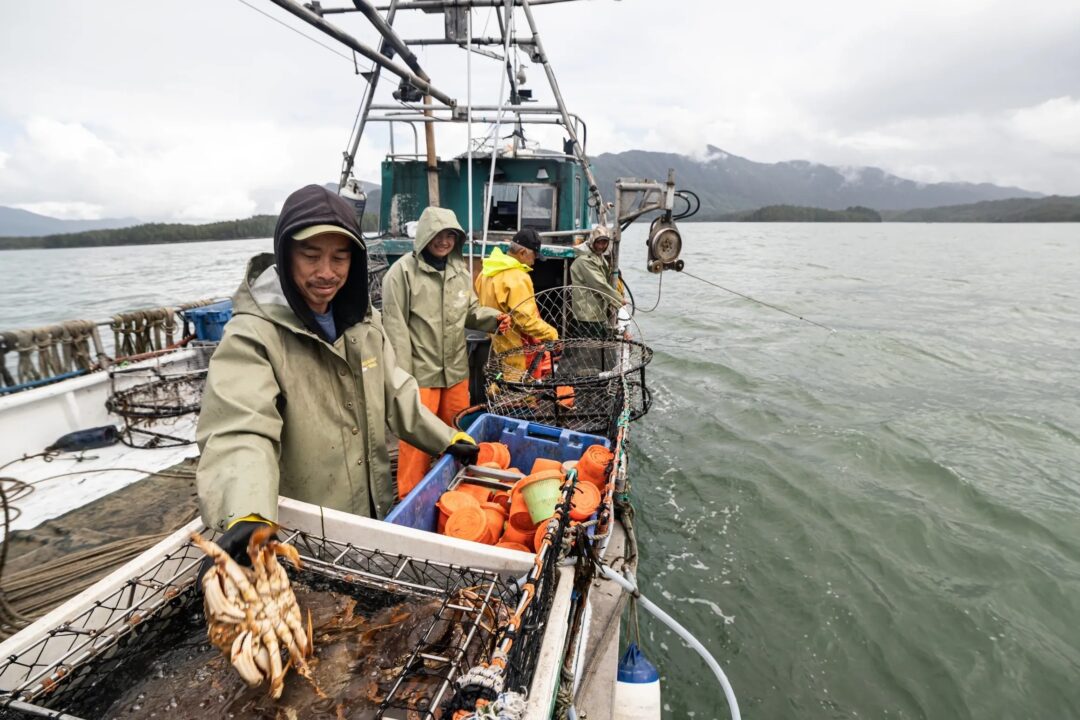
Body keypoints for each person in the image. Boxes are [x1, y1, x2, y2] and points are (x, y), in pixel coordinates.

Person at [196, 184, 480, 559]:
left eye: (340, 258)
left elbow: (395, 392)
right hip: (306, 535)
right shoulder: (252, 335)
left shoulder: (363, 321)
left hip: (373, 514)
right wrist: (247, 513)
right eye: (311, 256)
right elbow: (239, 428)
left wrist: (446, 437)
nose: (326, 273)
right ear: (285, 254)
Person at [381, 206, 511, 498]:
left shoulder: (460, 273)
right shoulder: (401, 273)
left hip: (455, 372)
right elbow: (395, 330)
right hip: (419, 375)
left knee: (457, 435)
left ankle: (454, 494)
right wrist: (402, 378)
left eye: (450, 235)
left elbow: (471, 312)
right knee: (416, 442)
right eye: (438, 235)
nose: (444, 241)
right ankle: (410, 499)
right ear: (425, 235)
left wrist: (494, 319)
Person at [474, 228, 559, 377]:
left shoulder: (486, 272)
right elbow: (525, 320)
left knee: (499, 383)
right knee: (519, 388)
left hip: (496, 345)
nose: (534, 262)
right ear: (522, 253)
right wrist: (552, 335)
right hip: (517, 351)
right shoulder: (518, 277)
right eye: (534, 256)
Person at [569, 225, 625, 339]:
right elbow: (599, 284)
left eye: (604, 243)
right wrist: (619, 300)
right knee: (589, 345)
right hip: (587, 315)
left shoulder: (598, 257)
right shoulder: (584, 260)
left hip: (597, 313)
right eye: (598, 242)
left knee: (599, 342)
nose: (601, 246)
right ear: (592, 241)